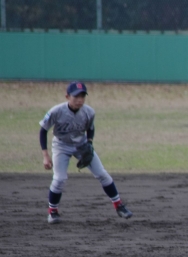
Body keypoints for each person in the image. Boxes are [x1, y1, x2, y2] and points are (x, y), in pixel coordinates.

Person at [39, 81, 132, 223]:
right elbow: (43, 131)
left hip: (81, 145)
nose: (79, 100)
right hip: (61, 146)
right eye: (76, 96)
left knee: (102, 174)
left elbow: (90, 128)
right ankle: (53, 212)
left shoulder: (89, 112)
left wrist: (89, 143)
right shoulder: (56, 111)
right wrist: (45, 156)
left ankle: (119, 205)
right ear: (67, 96)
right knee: (59, 179)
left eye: (82, 96)